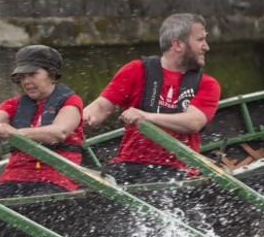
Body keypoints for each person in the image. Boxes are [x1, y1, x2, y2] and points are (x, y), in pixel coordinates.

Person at [84, 13, 221, 184]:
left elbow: (193, 123)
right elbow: (100, 108)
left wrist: (146, 116)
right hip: (128, 164)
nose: (206, 47)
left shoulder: (207, 84)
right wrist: (83, 117)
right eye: (200, 40)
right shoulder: (135, 70)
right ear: (177, 44)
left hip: (177, 171)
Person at [0, 45, 84, 199]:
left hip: (57, 175)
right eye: (22, 77)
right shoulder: (14, 104)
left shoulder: (71, 101)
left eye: (32, 74)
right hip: (15, 176)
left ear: (52, 74)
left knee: (36, 207)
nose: (26, 81)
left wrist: (17, 133)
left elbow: (60, 132)